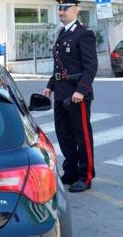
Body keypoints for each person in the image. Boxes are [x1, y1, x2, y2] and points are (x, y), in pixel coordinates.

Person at [43, 0, 97, 193]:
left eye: (65, 8)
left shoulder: (84, 33)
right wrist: (50, 85)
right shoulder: (63, 32)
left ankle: (86, 175)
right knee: (64, 135)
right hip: (61, 92)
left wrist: (81, 90)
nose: (62, 11)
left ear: (77, 9)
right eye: (60, 8)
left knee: (81, 136)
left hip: (77, 95)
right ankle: (71, 171)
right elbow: (60, 65)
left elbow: (91, 67)